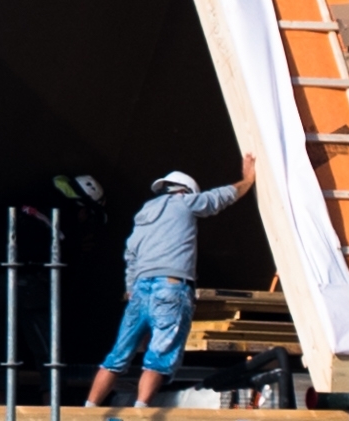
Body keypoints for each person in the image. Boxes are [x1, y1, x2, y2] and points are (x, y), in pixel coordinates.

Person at [86, 162, 248, 407]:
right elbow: (219, 198)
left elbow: (130, 255)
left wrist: (133, 292)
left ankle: (88, 413)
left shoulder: (144, 216)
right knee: (158, 359)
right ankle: (140, 415)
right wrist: (248, 179)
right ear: (186, 191)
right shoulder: (184, 202)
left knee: (116, 357)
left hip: (140, 290)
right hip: (172, 288)